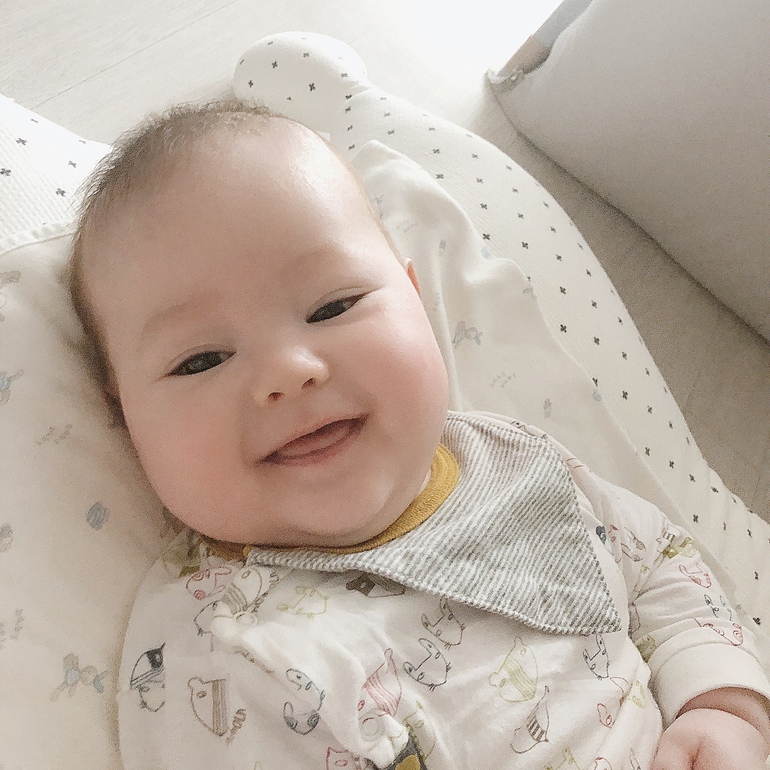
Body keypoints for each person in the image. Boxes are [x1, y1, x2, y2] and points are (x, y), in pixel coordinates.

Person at [69, 98, 770, 770]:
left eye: (332, 306)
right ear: (124, 419)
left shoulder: (513, 459)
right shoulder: (221, 657)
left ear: (416, 300)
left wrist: (721, 706)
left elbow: (659, 562)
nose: (288, 370)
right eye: (201, 360)